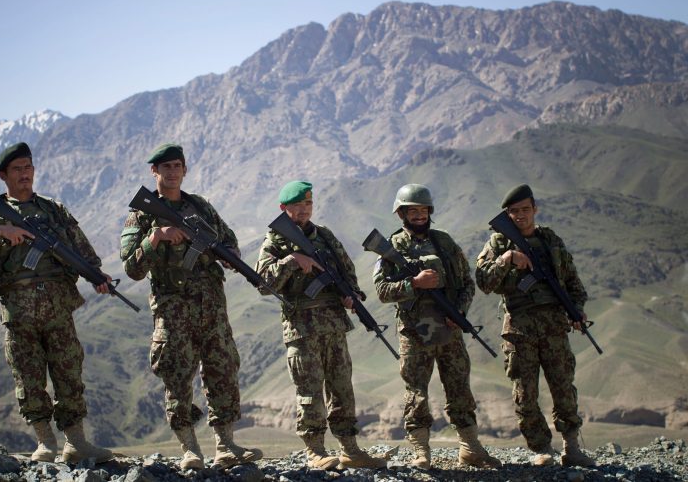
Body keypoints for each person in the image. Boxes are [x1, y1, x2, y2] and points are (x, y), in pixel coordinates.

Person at [0, 142, 114, 463]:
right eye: (17, 169)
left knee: (69, 374)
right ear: (4, 176)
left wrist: (97, 277)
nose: (25, 174)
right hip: (19, 313)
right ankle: (45, 443)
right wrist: (0, 234)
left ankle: (76, 443)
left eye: (29, 167)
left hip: (58, 309)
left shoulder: (53, 210)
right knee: (29, 377)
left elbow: (82, 252)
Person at [119, 143, 262, 471]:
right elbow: (131, 268)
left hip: (212, 308)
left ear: (185, 170)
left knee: (222, 372)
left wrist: (227, 256)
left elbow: (229, 241)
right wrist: (157, 237)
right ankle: (189, 448)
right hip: (174, 311)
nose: (172, 172)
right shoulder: (141, 215)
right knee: (177, 377)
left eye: (177, 166)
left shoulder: (201, 206)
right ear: (154, 172)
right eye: (165, 167)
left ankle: (225, 445)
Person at [254, 180, 387, 471]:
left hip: (334, 324)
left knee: (342, 388)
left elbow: (346, 269)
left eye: (308, 204)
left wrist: (353, 295)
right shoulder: (275, 241)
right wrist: (291, 260)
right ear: (283, 208)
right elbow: (263, 283)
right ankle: (314, 451)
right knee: (309, 391)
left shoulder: (325, 236)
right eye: (297, 204)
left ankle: (350, 449)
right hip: (301, 328)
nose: (304, 209)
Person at [372, 184, 501, 470]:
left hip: (450, 330)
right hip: (414, 333)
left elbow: (467, 282)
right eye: (412, 210)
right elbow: (381, 290)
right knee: (416, 392)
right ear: (401, 214)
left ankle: (470, 447)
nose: (419, 215)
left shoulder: (444, 242)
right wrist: (413, 284)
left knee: (460, 389)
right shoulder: (392, 247)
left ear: (429, 212)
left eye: (423, 210)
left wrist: (460, 312)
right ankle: (421, 451)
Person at [475, 184, 594, 467]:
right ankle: (541, 448)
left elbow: (573, 283)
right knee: (525, 393)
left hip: (554, 327)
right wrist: (507, 259)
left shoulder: (551, 242)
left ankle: (572, 447)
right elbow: (484, 282)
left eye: (525, 210)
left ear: (535, 209)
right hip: (520, 329)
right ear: (507, 214)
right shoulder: (498, 244)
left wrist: (577, 312)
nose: (520, 216)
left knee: (564, 387)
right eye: (514, 212)